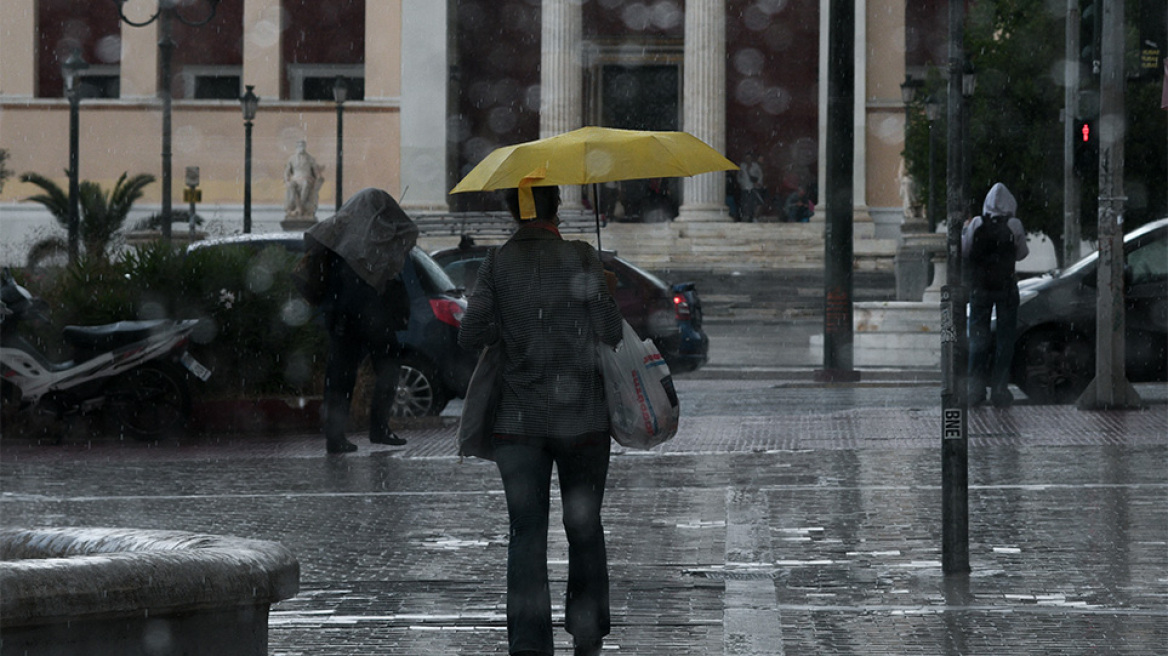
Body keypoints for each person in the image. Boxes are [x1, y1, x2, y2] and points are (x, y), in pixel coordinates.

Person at [458, 185, 623, 656]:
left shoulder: (497, 262)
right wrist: (605, 292)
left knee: (525, 533)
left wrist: (508, 328)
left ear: (513, 211)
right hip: (583, 421)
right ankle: (586, 632)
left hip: (518, 423)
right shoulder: (581, 255)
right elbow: (611, 332)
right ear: (557, 208)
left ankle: (529, 643)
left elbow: (470, 334)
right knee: (584, 526)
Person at [306, 188, 419, 454]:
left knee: (340, 375)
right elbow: (405, 242)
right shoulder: (381, 235)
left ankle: (335, 436)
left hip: (340, 314)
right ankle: (379, 428)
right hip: (371, 314)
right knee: (387, 366)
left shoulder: (337, 230)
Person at [962, 182, 1029, 408]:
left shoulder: (977, 223)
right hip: (1006, 288)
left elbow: (966, 250)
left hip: (980, 288)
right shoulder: (1014, 224)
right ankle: (1000, 390)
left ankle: (975, 389)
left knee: (977, 339)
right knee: (1005, 340)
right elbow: (1022, 254)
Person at [285, 140, 325, 220]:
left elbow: (316, 171)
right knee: (291, 185)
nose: (301, 148)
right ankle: (295, 207)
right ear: (296, 148)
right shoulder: (292, 159)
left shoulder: (310, 158)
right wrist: (287, 180)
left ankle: (300, 206)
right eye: (299, 146)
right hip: (295, 179)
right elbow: (287, 172)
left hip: (306, 178)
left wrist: (319, 177)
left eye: (303, 146)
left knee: (305, 184)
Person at [736, 152, 765, 221]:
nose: (748, 160)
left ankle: (754, 217)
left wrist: (758, 183)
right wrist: (741, 183)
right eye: (747, 158)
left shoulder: (755, 166)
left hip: (754, 188)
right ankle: (747, 217)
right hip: (745, 188)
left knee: (758, 203)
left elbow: (760, 175)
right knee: (746, 204)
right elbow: (738, 176)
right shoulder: (742, 166)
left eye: (749, 158)